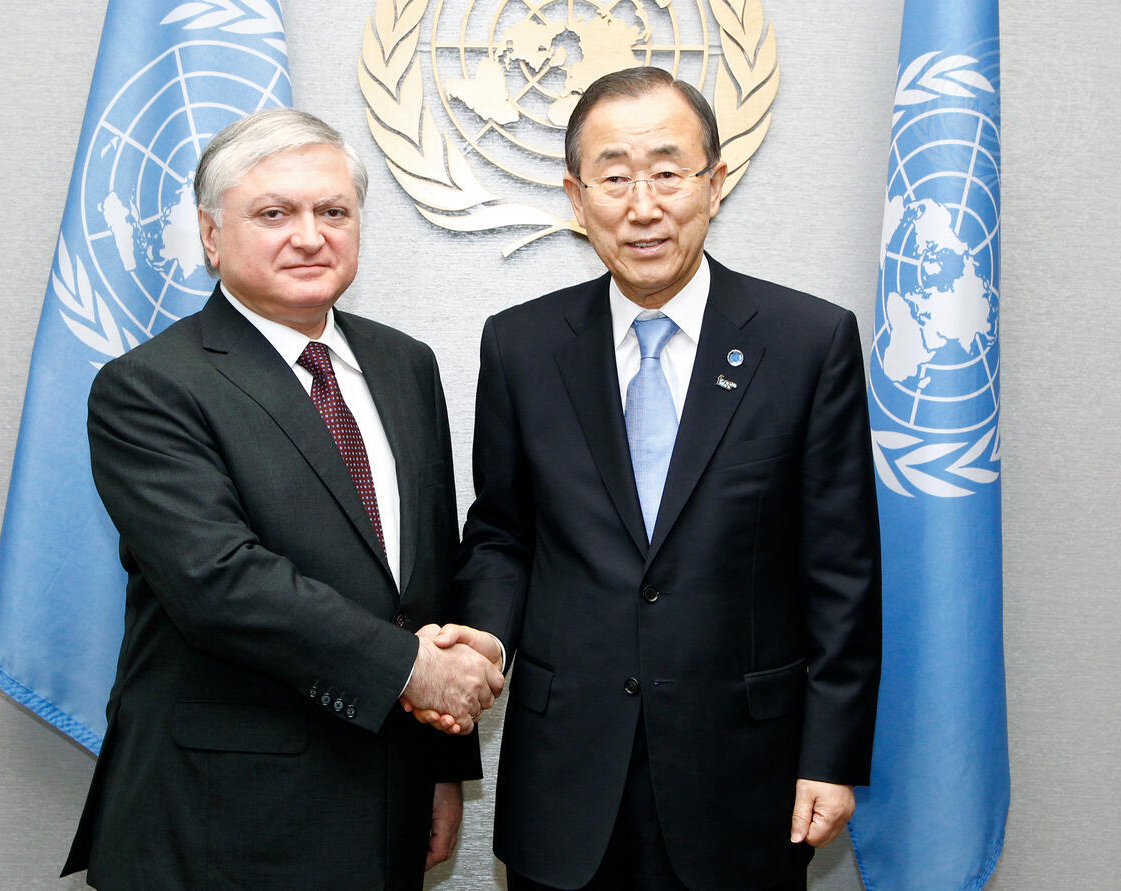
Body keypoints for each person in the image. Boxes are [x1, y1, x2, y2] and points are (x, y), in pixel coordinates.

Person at [436, 67, 882, 889]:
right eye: (614, 178)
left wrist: (831, 755)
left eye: (668, 172)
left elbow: (842, 572)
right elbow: (502, 534)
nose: (643, 206)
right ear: (577, 199)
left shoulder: (807, 342)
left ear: (715, 183)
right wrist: (487, 639)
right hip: (566, 774)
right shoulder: (520, 345)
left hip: (744, 776)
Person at [61, 108, 503, 889]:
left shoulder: (406, 364)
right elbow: (219, 582)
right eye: (273, 213)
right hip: (221, 822)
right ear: (211, 235)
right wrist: (412, 670)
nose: (310, 236)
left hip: (388, 800)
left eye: (333, 211)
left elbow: (424, 580)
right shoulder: (149, 386)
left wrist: (441, 764)